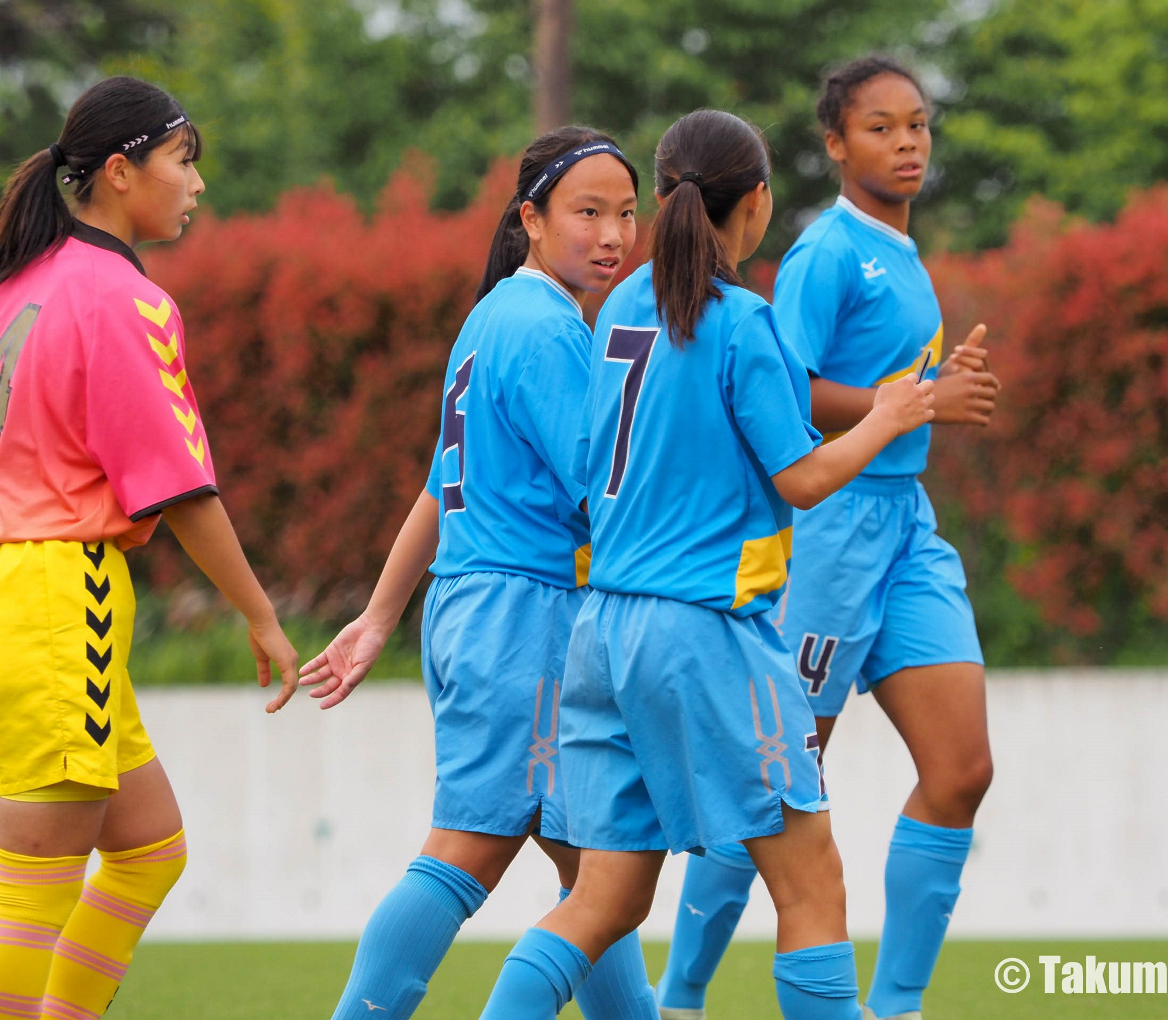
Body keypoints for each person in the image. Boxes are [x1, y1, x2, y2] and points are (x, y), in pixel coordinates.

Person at [474, 108, 935, 1020]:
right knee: (811, 886)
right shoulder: (742, 320)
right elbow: (801, 478)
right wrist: (886, 416)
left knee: (602, 899)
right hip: (707, 635)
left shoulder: (621, 306)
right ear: (755, 204)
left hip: (603, 635)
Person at [656, 57, 1001, 1020]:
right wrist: (926, 400)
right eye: (883, 128)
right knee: (775, 785)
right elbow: (787, 385)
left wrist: (937, 397)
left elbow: (892, 395)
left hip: (907, 529)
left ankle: (895, 1008)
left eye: (920, 126)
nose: (908, 144)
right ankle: (676, 998)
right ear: (835, 144)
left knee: (962, 770)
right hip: (830, 530)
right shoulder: (826, 253)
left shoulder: (903, 251)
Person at [299, 126, 657, 1020]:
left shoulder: (495, 315)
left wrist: (381, 617)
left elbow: (436, 490)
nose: (614, 234)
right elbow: (602, 488)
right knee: (470, 850)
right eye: (588, 212)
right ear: (530, 218)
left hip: (488, 609)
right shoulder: (545, 329)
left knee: (593, 869)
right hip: (522, 618)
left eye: (626, 213)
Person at [0, 76, 298, 1020]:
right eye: (183, 162)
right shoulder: (118, 300)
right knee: (34, 875)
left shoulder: (20, 283)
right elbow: (179, 491)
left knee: (147, 847)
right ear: (122, 173)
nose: (196, 185)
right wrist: (262, 616)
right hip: (59, 597)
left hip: (27, 594)